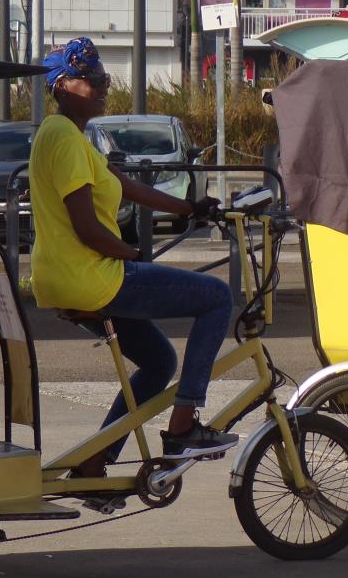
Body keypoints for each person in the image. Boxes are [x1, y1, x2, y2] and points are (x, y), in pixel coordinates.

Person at [29, 38, 237, 482]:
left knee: (159, 363)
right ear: (63, 86)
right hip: (91, 277)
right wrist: (129, 253)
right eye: (93, 79)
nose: (103, 86)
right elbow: (87, 227)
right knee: (217, 298)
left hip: (71, 277)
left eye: (104, 78)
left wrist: (190, 208)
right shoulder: (63, 138)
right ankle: (183, 426)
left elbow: (126, 185)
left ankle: (94, 461)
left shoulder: (68, 135)